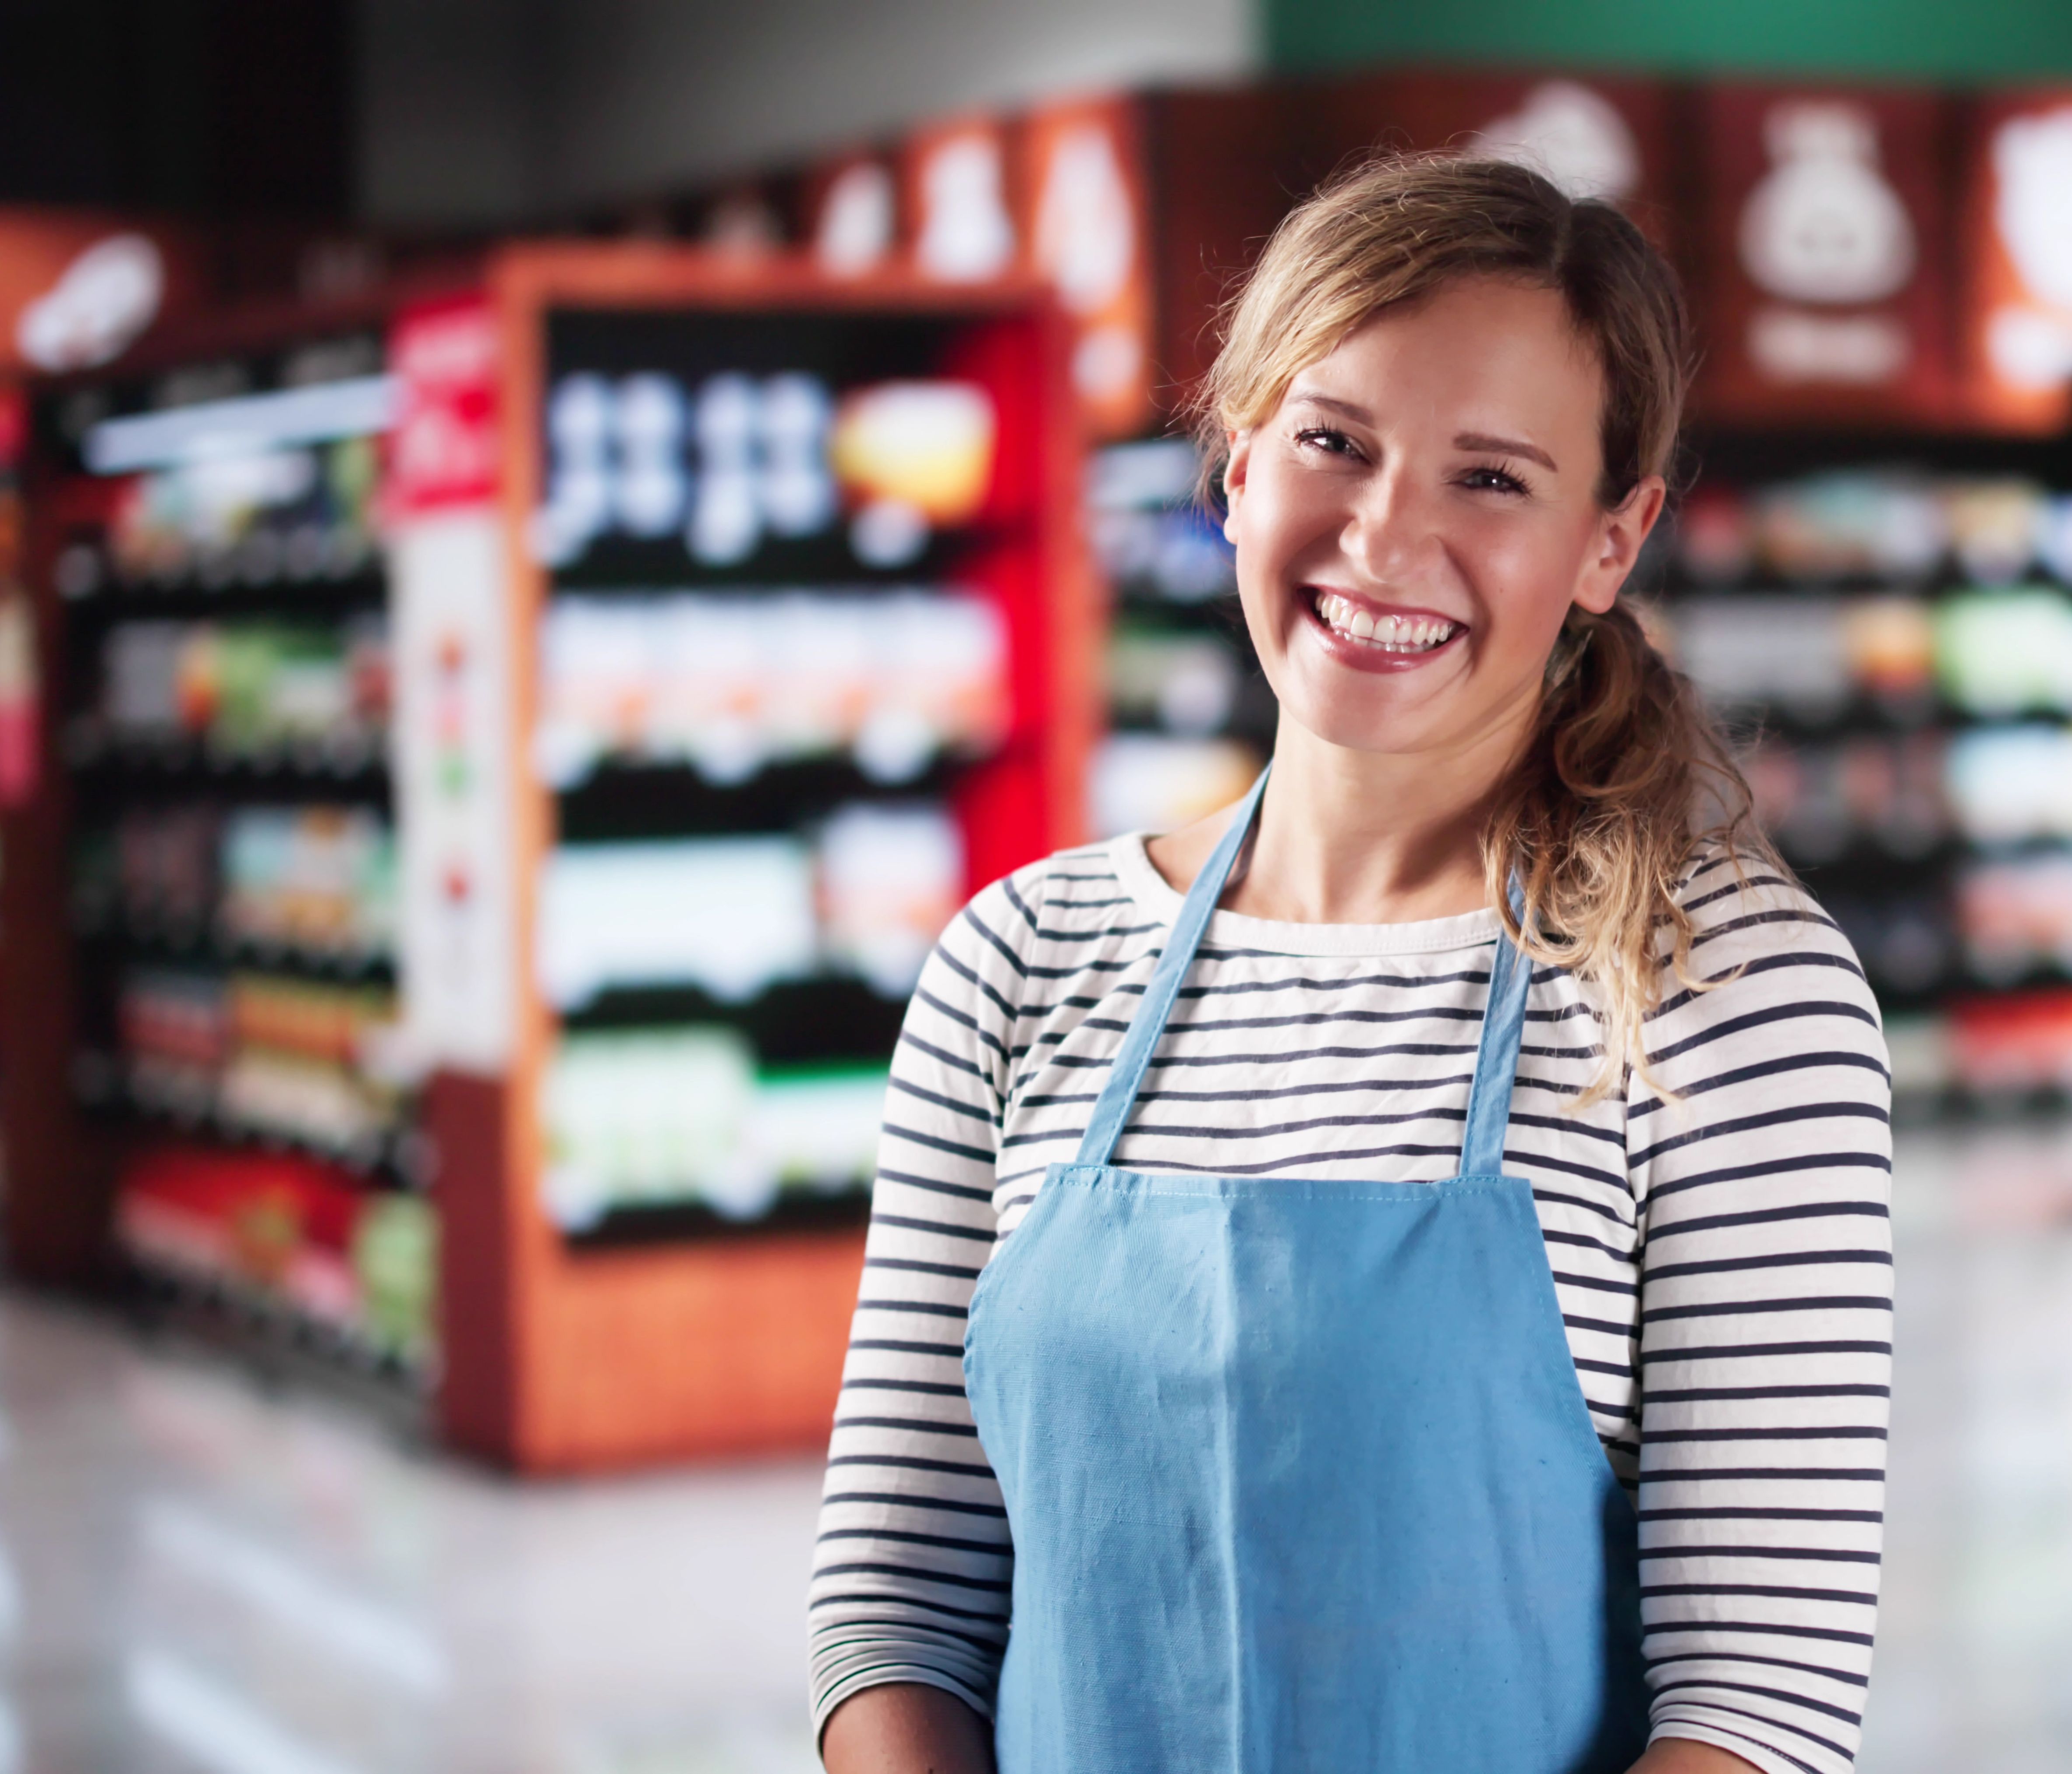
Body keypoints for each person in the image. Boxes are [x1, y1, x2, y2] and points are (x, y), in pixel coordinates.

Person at [808, 152, 1893, 1774]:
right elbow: (897, 1608)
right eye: (1336, 441)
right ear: (1241, 464)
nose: (1386, 537)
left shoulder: (1726, 992)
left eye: (1494, 479)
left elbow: (1762, 1708)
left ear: (1614, 539)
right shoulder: (1017, 966)